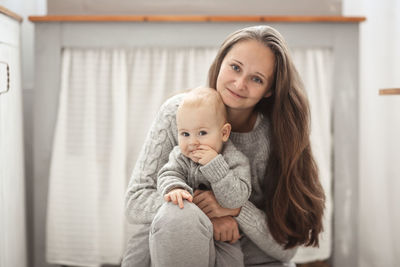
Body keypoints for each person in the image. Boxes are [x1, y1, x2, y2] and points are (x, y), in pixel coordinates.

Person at [122, 25, 325, 267]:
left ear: (269, 90)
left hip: (248, 254)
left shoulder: (277, 134)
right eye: (235, 67)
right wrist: (203, 216)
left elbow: (285, 249)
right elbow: (136, 201)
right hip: (180, 241)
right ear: (220, 62)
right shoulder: (177, 112)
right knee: (180, 220)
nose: (239, 84)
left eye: (256, 79)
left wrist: (235, 211)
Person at [157, 87, 252, 266]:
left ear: (224, 133)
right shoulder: (180, 156)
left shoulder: (236, 160)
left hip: (224, 235)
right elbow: (168, 174)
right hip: (187, 228)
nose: (192, 142)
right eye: (185, 134)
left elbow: (236, 199)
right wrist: (175, 188)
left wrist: (214, 165)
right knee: (140, 249)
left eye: (202, 133)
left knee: (233, 261)